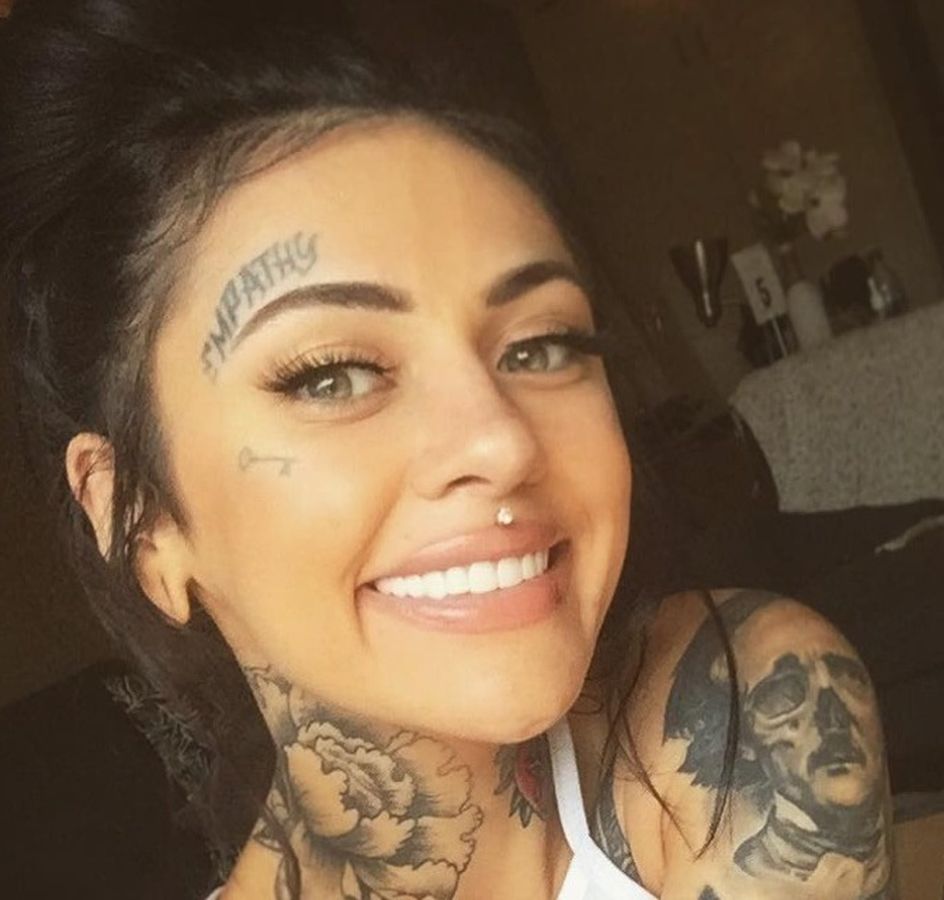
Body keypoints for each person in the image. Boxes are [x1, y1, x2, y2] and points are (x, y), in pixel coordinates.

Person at [0, 1, 894, 897]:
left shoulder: (746, 714)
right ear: (141, 521)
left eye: (541, 346)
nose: (502, 440)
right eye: (332, 376)